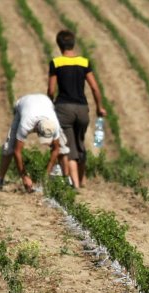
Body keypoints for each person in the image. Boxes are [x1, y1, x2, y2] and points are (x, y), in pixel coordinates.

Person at [47, 29, 107, 189]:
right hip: (82, 108)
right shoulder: (84, 62)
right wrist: (99, 107)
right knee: (80, 144)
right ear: (73, 43)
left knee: (69, 148)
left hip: (64, 108)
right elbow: (94, 88)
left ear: (59, 45)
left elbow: (51, 90)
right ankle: (82, 180)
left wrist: (49, 105)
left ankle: (75, 185)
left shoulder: (56, 63)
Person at [0, 92, 66, 193]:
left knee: (63, 147)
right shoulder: (26, 123)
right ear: (36, 129)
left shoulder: (54, 125)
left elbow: (56, 149)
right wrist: (24, 177)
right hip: (23, 104)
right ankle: (0, 180)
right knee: (9, 146)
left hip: (45, 102)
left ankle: (64, 178)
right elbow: (17, 151)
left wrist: (46, 174)